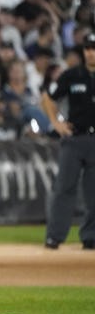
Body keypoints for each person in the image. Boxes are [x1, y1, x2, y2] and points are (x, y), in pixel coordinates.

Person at [41, 33, 95, 250]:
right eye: (88, 48)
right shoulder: (72, 75)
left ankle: (91, 236)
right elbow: (48, 97)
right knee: (64, 188)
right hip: (74, 138)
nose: (91, 52)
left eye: (94, 48)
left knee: (94, 192)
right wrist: (55, 122)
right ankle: (54, 236)